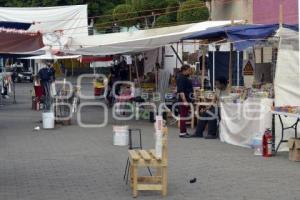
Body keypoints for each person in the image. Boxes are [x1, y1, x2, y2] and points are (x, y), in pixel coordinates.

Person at [176, 64, 194, 138]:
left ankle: (184, 131)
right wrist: (185, 101)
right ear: (184, 70)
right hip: (184, 100)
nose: (190, 71)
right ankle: (182, 132)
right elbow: (181, 91)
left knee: (184, 116)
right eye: (189, 70)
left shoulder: (184, 77)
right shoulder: (181, 78)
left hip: (186, 99)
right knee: (183, 116)